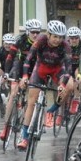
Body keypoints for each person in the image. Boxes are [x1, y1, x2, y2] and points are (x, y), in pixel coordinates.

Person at [16, 20, 72, 150]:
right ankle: (24, 137)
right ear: (48, 34)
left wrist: (62, 85)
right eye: (55, 36)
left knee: (69, 85)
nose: (57, 40)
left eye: (60, 37)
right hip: (41, 68)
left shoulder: (65, 46)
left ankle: (51, 111)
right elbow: (28, 59)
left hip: (57, 70)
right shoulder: (40, 40)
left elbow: (69, 68)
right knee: (31, 102)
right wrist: (25, 76)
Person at [0, 19, 43, 141]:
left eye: (37, 32)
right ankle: (6, 127)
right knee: (13, 94)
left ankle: (32, 122)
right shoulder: (20, 41)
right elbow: (10, 58)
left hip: (35, 69)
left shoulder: (41, 43)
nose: (35, 35)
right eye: (33, 32)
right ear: (28, 31)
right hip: (19, 68)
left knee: (32, 98)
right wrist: (7, 73)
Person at [62, 26, 81, 110]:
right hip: (71, 67)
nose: (74, 40)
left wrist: (80, 74)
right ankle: (66, 105)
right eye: (72, 38)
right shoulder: (65, 46)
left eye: (76, 38)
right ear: (68, 38)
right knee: (68, 85)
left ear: (79, 38)